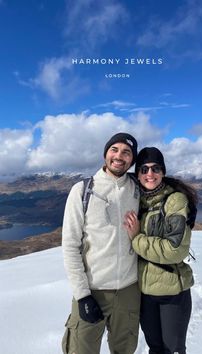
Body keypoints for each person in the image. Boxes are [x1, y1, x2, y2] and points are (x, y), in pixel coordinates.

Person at [62, 133, 141, 354]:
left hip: (128, 291)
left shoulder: (136, 189)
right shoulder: (83, 190)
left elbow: (162, 190)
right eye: (114, 150)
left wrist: (188, 206)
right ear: (105, 153)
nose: (119, 156)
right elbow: (70, 246)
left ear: (132, 160)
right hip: (92, 291)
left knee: (125, 350)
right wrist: (82, 295)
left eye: (126, 152)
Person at [124, 147, 197, 354]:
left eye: (156, 168)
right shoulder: (137, 202)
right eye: (144, 169)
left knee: (172, 349)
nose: (150, 174)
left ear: (163, 172)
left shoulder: (175, 201)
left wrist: (137, 238)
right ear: (137, 174)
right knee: (155, 348)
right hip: (145, 293)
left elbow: (175, 250)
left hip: (172, 292)